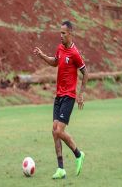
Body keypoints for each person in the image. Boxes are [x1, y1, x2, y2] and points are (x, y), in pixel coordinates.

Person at [33, 20, 88, 179]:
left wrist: (81, 93)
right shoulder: (60, 48)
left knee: (59, 130)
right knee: (54, 131)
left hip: (69, 96)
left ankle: (79, 154)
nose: (61, 35)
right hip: (58, 95)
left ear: (70, 34)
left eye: (63, 33)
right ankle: (61, 169)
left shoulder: (75, 53)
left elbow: (86, 73)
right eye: (60, 32)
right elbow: (55, 62)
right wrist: (43, 56)